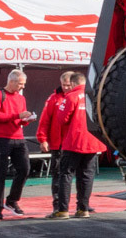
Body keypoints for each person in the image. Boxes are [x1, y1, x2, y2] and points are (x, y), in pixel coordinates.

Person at [38, 71, 106, 219]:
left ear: (74, 83)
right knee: (87, 176)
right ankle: (83, 209)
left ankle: (62, 210)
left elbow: (62, 118)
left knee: (66, 174)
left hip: (74, 142)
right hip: (93, 142)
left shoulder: (71, 97)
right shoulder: (96, 96)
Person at [0, 69, 36, 220]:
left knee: (25, 169)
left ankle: (12, 200)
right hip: (1, 138)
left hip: (18, 137)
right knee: (0, 174)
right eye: (20, 84)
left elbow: (19, 120)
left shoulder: (21, 98)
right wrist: (18, 116)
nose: (22, 87)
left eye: (23, 84)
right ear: (11, 81)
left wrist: (26, 120)